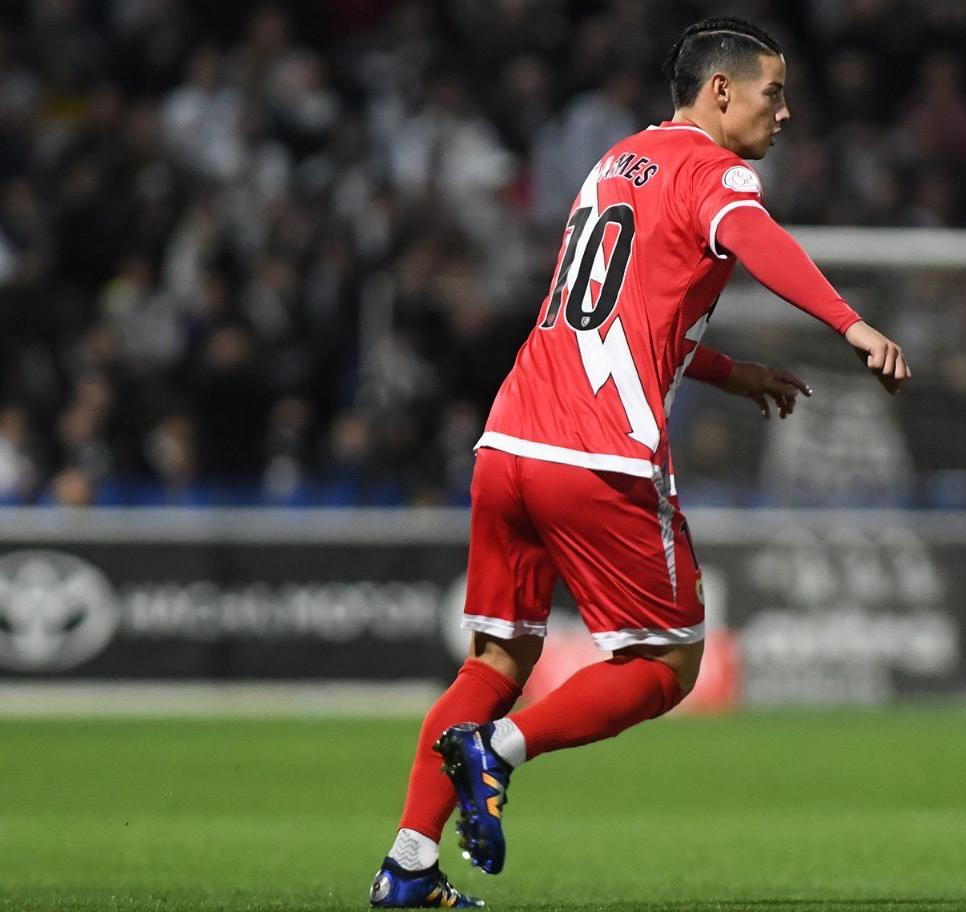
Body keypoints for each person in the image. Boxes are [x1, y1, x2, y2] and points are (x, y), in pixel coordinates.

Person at [369, 16, 910, 908]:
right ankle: (495, 753)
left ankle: (408, 868)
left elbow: (608, 312)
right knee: (667, 665)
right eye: (773, 95)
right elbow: (754, 236)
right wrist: (847, 322)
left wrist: (729, 373)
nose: (786, 115)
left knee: (494, 664)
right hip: (595, 454)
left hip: (508, 443)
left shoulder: (615, 163)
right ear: (720, 92)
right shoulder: (715, 172)